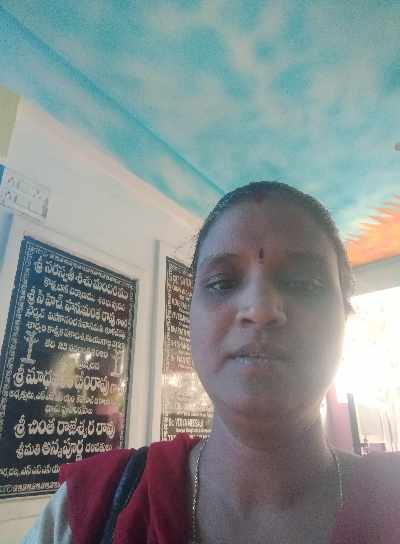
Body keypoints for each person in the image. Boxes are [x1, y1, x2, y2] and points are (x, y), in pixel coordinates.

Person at [24, 181, 400, 543]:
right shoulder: (85, 512)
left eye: (303, 282)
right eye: (222, 283)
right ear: (189, 316)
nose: (260, 309)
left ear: (346, 316)